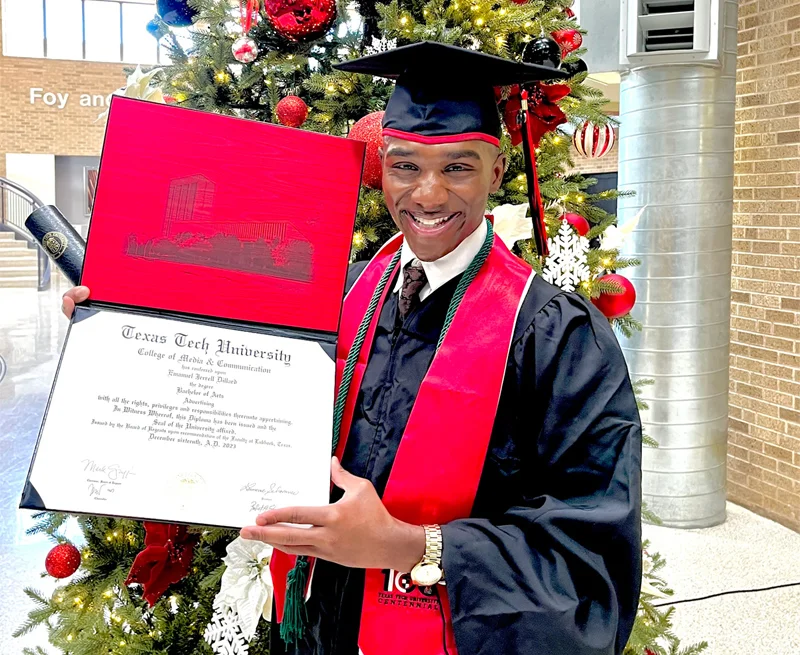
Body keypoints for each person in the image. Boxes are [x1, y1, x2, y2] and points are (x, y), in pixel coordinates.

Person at [62, 42, 642, 655]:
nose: (426, 195)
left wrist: (409, 545)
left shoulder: (555, 334)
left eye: (458, 167)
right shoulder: (338, 294)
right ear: (381, 168)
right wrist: (114, 322)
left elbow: (592, 559)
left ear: (497, 172)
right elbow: (209, 374)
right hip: (317, 625)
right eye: (405, 165)